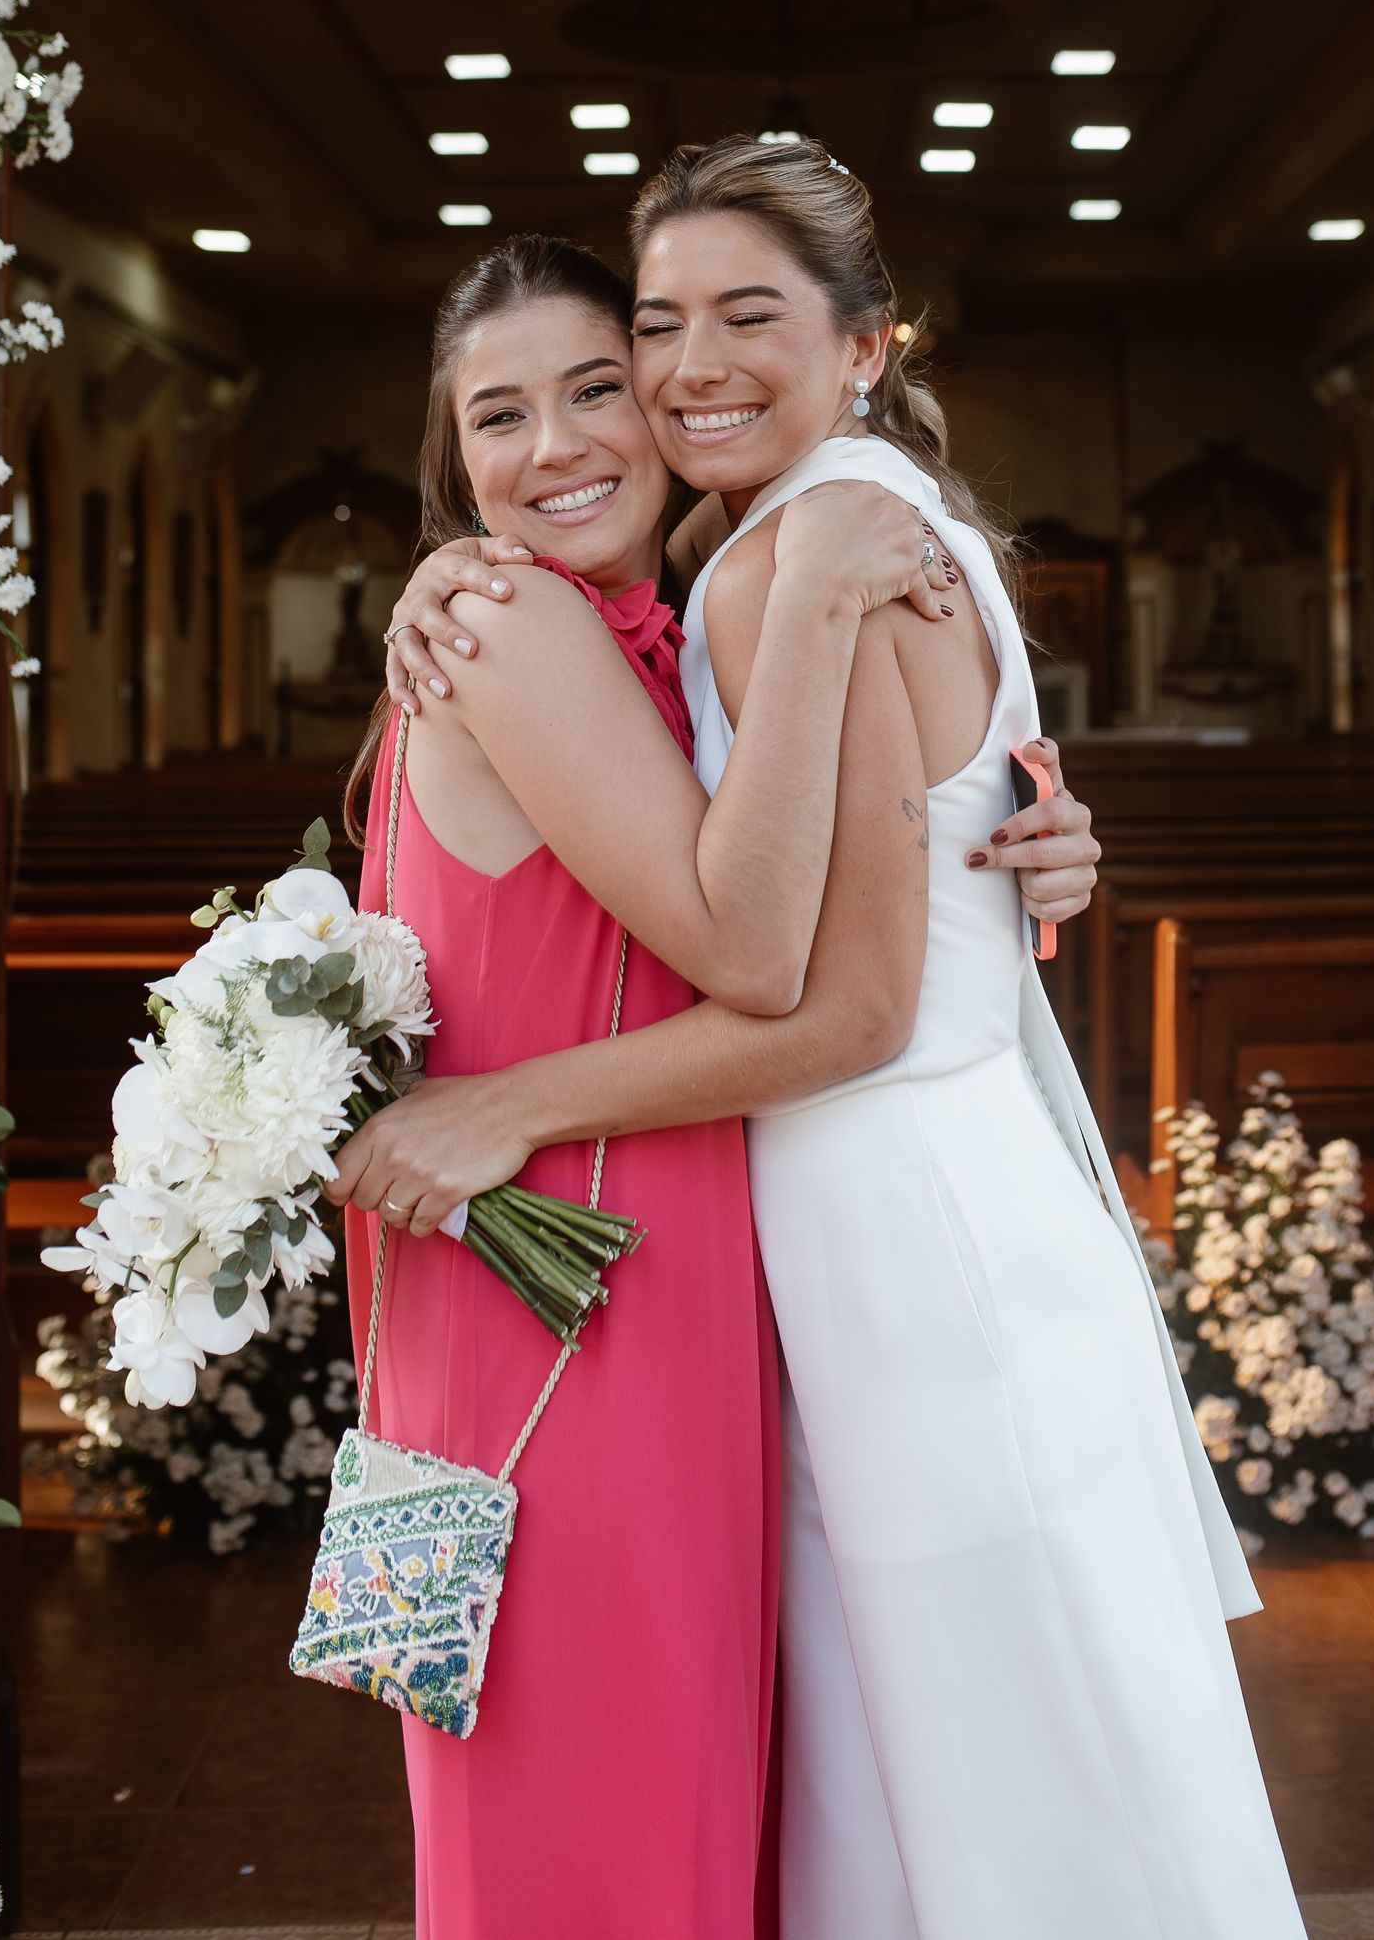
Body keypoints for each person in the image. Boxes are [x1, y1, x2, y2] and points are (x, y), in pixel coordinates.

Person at [372, 144, 1303, 1940]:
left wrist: (504, 1105)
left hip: (832, 1240)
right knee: (926, 1759)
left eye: (610, 375)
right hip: (639, 1258)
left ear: (869, 343)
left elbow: (851, 989)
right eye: (658, 330)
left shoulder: (800, 557)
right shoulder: (642, 587)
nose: (676, 375)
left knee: (978, 1770)